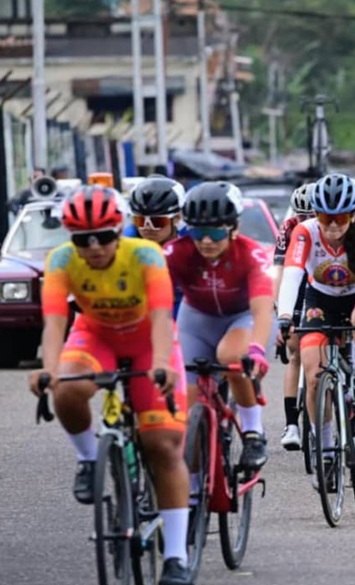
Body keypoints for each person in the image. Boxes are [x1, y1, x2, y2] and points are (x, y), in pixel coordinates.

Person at [29, 186, 192, 585]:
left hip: (147, 340)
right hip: (96, 336)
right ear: (71, 238)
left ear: (119, 231)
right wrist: (48, 370)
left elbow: (161, 317)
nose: (95, 247)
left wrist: (160, 364)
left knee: (162, 444)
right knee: (66, 388)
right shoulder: (61, 260)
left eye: (103, 236)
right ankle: (88, 458)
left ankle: (176, 556)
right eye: (83, 240)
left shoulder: (146, 255)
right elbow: (55, 322)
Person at [276, 173, 355, 488]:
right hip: (321, 299)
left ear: (352, 214)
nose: (334, 226)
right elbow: (291, 275)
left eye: (341, 218)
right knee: (313, 375)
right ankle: (325, 451)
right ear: (316, 214)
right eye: (326, 218)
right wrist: (284, 315)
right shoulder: (304, 232)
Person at [165, 181, 274, 470]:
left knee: (231, 358)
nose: (206, 241)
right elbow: (156, 303)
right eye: (197, 233)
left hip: (241, 318)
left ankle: (253, 432)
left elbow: (262, 310)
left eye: (215, 233)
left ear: (234, 229)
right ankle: (193, 486)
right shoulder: (175, 253)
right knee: (187, 411)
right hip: (195, 320)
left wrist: (257, 350)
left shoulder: (250, 254)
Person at [276, 182, 315, 451]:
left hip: (326, 281)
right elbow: (280, 270)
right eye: (302, 216)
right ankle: (291, 425)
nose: (307, 222)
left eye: (312, 216)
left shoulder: (333, 226)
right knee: (295, 353)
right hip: (299, 280)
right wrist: (282, 308)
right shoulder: (289, 228)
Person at [126, 176, 188, 317]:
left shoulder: (193, 242)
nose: (148, 228)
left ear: (177, 218)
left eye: (157, 221)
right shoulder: (127, 239)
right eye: (140, 220)